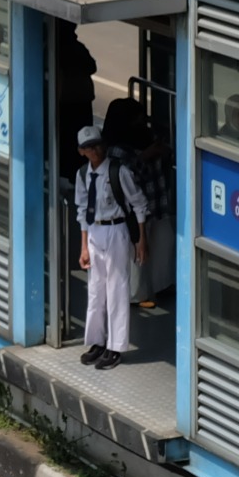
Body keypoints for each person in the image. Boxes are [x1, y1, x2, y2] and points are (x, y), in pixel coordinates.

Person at [74, 122, 152, 369]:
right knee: (96, 290)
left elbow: (139, 204)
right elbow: (82, 211)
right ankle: (97, 341)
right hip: (95, 230)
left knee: (117, 288)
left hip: (116, 230)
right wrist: (84, 247)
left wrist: (141, 241)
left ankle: (116, 346)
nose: (94, 151)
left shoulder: (119, 171)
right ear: (81, 151)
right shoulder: (82, 175)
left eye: (97, 145)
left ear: (104, 145)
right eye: (88, 148)